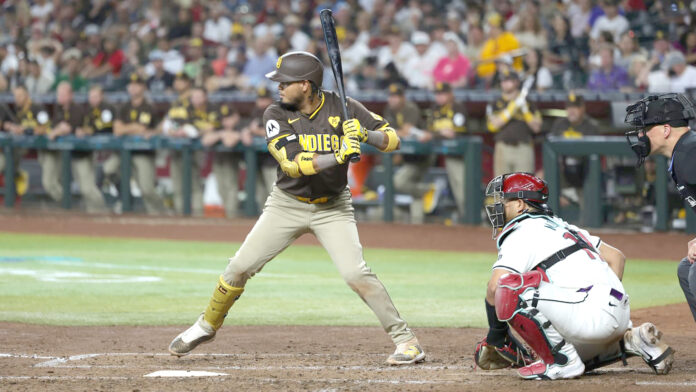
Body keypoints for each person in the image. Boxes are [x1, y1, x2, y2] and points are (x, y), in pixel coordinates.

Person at [168, 51, 425, 365]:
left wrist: (364, 134)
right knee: (238, 268)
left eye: (284, 82)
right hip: (286, 204)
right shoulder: (275, 113)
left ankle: (407, 341)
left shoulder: (344, 106)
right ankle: (206, 325)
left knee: (355, 273)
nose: (277, 87)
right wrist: (339, 155)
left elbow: (393, 139)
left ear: (305, 85)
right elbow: (291, 164)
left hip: (333, 207)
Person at [474, 172, 674, 379]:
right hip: (618, 316)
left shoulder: (522, 230)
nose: (497, 206)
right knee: (570, 346)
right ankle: (630, 341)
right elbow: (617, 258)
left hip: (591, 317)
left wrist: (497, 336)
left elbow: (496, 286)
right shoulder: (564, 226)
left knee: (512, 287)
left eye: (504, 200)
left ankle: (562, 362)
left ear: (520, 205)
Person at [624, 93, 696, 322]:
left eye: (645, 128)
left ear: (666, 130)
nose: (639, 135)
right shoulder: (685, 151)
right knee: (686, 270)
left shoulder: (690, 154)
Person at [44, 82, 106, 212]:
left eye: (62, 94)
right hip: (66, 154)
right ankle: (72, 209)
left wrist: (58, 131)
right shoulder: (59, 109)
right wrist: (58, 130)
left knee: (87, 188)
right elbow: (55, 127)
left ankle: (102, 212)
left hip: (81, 153)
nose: (59, 97)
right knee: (52, 182)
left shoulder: (78, 109)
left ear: (70, 95)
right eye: (58, 94)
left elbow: (69, 128)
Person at [383, 83, 437, 223]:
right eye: (391, 96)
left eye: (396, 96)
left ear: (403, 98)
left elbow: (406, 131)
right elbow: (387, 132)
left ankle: (427, 190)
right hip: (408, 156)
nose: (393, 99)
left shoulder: (410, 108)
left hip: (422, 154)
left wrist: (393, 133)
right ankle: (417, 223)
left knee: (399, 182)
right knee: (413, 187)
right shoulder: (389, 110)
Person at [113, 73, 166, 215]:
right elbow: (117, 130)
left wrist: (127, 128)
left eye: (137, 85)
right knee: (108, 169)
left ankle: (160, 214)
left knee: (146, 188)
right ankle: (124, 198)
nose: (133, 87)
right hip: (124, 152)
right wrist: (133, 128)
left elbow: (143, 129)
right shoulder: (123, 107)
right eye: (131, 85)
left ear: (143, 87)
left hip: (143, 153)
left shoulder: (148, 107)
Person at [549, 93, 600, 222]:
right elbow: (549, 151)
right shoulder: (559, 124)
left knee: (587, 217)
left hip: (584, 174)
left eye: (575, 107)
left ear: (583, 108)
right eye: (569, 107)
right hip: (563, 173)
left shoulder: (591, 126)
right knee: (541, 177)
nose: (571, 111)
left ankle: (587, 226)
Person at [194, 87, 242, 218]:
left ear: (235, 116)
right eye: (224, 118)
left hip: (231, 161)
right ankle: (228, 213)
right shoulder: (219, 127)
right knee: (221, 188)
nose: (226, 121)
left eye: (229, 118)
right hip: (219, 160)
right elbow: (206, 141)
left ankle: (232, 215)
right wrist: (221, 133)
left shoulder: (241, 125)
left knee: (230, 186)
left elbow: (229, 142)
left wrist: (227, 134)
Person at [486, 70, 542, 176]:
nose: (504, 83)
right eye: (502, 81)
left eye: (508, 80)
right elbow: (492, 126)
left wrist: (525, 111)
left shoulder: (528, 103)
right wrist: (512, 108)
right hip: (503, 147)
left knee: (524, 188)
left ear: (516, 82)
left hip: (523, 148)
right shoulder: (495, 103)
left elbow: (536, 128)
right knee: (502, 188)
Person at [162, 72, 203, 215]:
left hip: (192, 146)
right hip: (176, 147)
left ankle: (199, 218)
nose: (178, 83)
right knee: (178, 185)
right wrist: (170, 130)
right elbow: (168, 123)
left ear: (188, 83)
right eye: (176, 80)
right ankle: (181, 218)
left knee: (194, 184)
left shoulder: (195, 100)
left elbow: (201, 122)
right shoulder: (176, 102)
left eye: (182, 80)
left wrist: (186, 129)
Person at [428, 82, 467, 219]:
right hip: (449, 154)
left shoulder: (458, 107)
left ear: (450, 94)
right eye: (437, 94)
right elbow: (431, 129)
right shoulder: (435, 109)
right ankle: (465, 217)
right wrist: (441, 131)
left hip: (463, 154)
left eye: (443, 94)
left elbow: (453, 132)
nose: (439, 97)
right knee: (457, 187)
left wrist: (440, 131)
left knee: (463, 186)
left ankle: (470, 217)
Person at [239, 86, 277, 208]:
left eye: (265, 99)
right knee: (261, 192)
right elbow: (248, 127)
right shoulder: (256, 112)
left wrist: (255, 131)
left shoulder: (277, 111)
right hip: (259, 159)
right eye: (260, 99)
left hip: (274, 159)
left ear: (270, 99)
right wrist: (246, 131)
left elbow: (278, 132)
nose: (262, 102)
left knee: (275, 192)